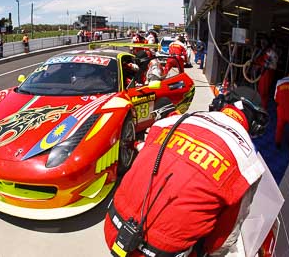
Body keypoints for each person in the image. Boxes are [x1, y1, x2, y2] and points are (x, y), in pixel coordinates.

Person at [104, 89, 269, 257]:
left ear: (221, 104)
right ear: (255, 125)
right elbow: (223, 240)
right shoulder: (247, 164)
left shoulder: (172, 121)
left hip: (113, 228)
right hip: (159, 251)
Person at [254, 38, 278, 109]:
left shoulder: (270, 52)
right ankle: (261, 106)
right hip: (265, 72)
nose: (262, 44)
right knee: (262, 90)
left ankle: (262, 108)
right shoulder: (268, 51)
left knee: (263, 91)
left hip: (267, 72)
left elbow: (265, 63)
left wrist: (257, 63)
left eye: (263, 43)